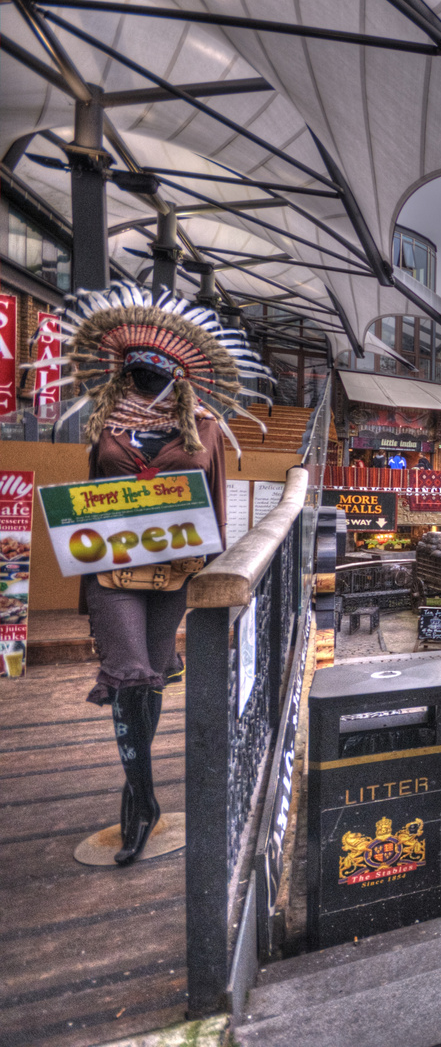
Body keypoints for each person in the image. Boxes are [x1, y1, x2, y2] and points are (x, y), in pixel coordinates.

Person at [49, 282, 262, 864]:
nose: (145, 377)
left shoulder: (205, 427)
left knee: (154, 673)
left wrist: (214, 573)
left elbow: (215, 502)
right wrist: (83, 573)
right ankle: (144, 800)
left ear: (179, 372)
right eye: (136, 369)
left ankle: (133, 793)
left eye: (156, 369)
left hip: (172, 570)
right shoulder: (107, 425)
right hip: (114, 570)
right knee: (130, 670)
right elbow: (90, 498)